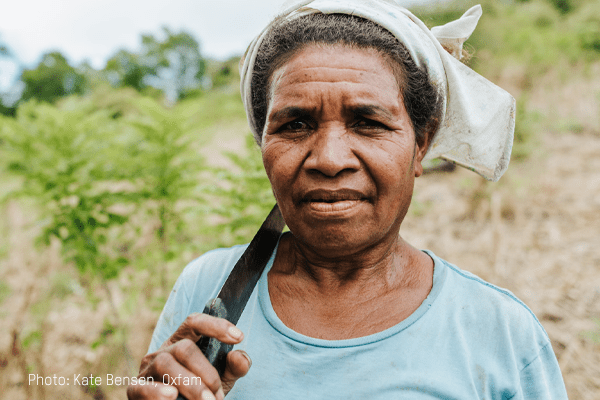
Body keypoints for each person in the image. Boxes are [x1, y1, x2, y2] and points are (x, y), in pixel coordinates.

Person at [127, 1, 568, 399]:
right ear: (262, 144)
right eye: (295, 124)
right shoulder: (206, 287)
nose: (329, 159)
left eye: (367, 122)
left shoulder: (499, 332)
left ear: (421, 145)